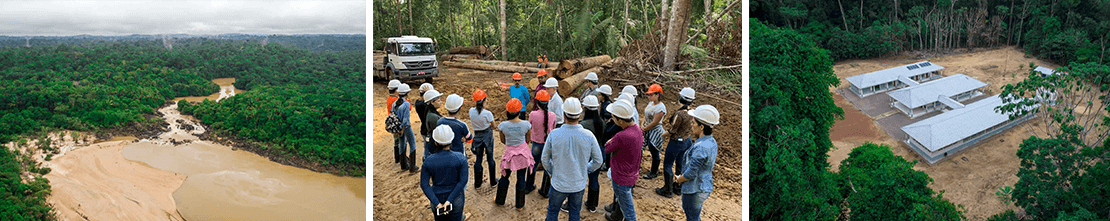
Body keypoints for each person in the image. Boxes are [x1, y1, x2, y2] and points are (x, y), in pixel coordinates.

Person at [541, 98, 603, 221]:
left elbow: (545, 159)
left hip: (559, 184)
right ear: (580, 115)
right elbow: (598, 160)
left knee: (552, 212)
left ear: (564, 115)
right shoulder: (588, 136)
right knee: (574, 214)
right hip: (578, 184)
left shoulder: (554, 134)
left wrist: (552, 172)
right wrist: (585, 169)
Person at [676, 105, 719, 221]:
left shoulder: (700, 147)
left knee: (692, 217)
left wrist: (681, 179)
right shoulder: (711, 141)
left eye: (693, 122)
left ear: (701, 127)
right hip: (705, 186)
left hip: (695, 189)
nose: (691, 124)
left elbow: (691, 172)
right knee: (694, 216)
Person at [603, 101, 643, 221]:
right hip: (631, 174)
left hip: (621, 177)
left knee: (629, 212)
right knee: (623, 202)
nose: (612, 118)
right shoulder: (637, 130)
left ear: (620, 121)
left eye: (613, 117)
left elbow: (607, 148)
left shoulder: (621, 136)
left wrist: (610, 141)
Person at [421, 125, 469, 221]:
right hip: (456, 198)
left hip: (436, 197)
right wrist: (449, 200)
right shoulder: (460, 158)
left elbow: (424, 185)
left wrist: (437, 203)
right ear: (451, 140)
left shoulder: (428, 161)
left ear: (435, 142)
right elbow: (463, 181)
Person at [655, 87, 695, 198]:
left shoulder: (680, 114)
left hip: (676, 142)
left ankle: (667, 190)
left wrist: (662, 135)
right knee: (680, 164)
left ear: (681, 98)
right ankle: (678, 187)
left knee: (667, 164)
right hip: (687, 141)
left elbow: (672, 130)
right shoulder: (692, 112)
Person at [495, 99, 533, 210]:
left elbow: (503, 140)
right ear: (519, 111)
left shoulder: (503, 125)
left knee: (505, 176)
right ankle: (520, 205)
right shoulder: (526, 124)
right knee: (521, 178)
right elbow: (528, 139)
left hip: (509, 154)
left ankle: (500, 200)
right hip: (522, 155)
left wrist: (512, 145)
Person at [528, 90, 557, 198]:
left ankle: (529, 186)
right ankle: (545, 190)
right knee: (548, 167)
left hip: (536, 144)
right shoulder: (553, 116)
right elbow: (553, 129)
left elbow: (530, 128)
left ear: (537, 103)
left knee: (532, 165)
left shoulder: (532, 114)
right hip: (548, 145)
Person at [578, 95, 605, 212]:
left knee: (580, 179)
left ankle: (573, 203)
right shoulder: (602, 122)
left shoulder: (584, 125)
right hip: (600, 153)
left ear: (586, 109)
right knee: (594, 179)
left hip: (587, 154)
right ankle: (592, 205)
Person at [469, 89, 498, 188]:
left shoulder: (471, 111)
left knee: (478, 159)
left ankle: (477, 183)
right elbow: (494, 126)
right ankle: (493, 181)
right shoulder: (487, 113)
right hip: (487, 136)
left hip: (477, 136)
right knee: (490, 159)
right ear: (484, 101)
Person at [641, 84, 667, 180]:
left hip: (654, 131)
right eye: (649, 95)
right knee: (642, 146)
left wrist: (644, 128)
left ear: (658, 95)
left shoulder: (660, 108)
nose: (649, 97)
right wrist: (642, 124)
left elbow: (655, 122)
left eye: (652, 95)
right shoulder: (651, 104)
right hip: (647, 128)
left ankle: (654, 171)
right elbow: (645, 115)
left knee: (654, 150)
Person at [396, 84, 418, 171]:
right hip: (406, 127)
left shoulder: (395, 103)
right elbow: (405, 120)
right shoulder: (406, 104)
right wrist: (402, 129)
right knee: (412, 144)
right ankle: (413, 166)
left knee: (402, 144)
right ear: (407, 93)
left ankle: (403, 165)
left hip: (397, 126)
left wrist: (398, 129)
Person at [423, 89, 444, 161]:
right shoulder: (433, 117)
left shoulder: (432, 113)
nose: (440, 102)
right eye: (438, 101)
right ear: (432, 102)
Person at [387, 79, 402, 166]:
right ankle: (401, 158)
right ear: (396, 90)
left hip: (392, 123)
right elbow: (409, 107)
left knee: (396, 141)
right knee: (402, 141)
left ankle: (397, 159)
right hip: (398, 123)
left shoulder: (389, 99)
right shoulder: (397, 100)